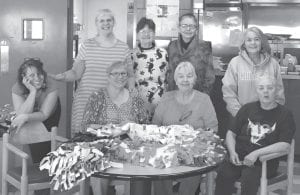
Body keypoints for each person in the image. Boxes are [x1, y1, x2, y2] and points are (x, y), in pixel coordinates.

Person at [50, 9, 132, 134]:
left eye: (109, 20)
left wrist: (131, 99)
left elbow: (130, 76)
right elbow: (76, 73)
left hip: (112, 103)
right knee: (83, 141)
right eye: (101, 20)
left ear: (114, 22)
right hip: (85, 101)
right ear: (97, 24)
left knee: (109, 140)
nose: (105, 23)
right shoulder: (87, 46)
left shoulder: (123, 48)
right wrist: (64, 76)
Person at [215, 74, 295, 195]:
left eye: (270, 88)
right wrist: (232, 152)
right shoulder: (247, 109)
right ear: (257, 90)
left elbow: (285, 145)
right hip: (239, 157)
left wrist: (256, 154)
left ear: (276, 89)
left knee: (249, 177)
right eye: (261, 88)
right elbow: (231, 133)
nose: (265, 92)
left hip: (264, 162)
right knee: (223, 173)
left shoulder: (285, 114)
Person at [81, 61, 148, 195]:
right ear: (108, 76)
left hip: (131, 148)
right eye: (115, 74)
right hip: (103, 147)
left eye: (123, 73)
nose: (120, 77)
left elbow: (145, 126)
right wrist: (111, 128)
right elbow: (85, 126)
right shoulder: (97, 96)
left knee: (145, 167)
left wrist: (131, 126)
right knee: (97, 170)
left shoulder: (135, 97)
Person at [152, 61, 218, 195]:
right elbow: (155, 127)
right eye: (181, 76)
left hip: (194, 149)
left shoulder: (204, 99)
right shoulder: (166, 98)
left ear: (194, 79)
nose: (185, 80)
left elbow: (213, 129)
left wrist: (200, 136)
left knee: (195, 162)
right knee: (158, 163)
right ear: (176, 80)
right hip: (167, 148)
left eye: (189, 76)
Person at [11, 58, 61, 195]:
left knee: (43, 150)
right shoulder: (17, 88)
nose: (38, 78)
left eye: (39, 73)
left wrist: (26, 117)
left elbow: (44, 114)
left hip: (49, 113)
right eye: (32, 75)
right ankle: (35, 186)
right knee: (31, 143)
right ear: (24, 78)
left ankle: (43, 189)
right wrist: (32, 92)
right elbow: (21, 114)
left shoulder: (51, 85)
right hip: (30, 111)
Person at [222, 26, 285, 118]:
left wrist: (272, 115)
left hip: (268, 118)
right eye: (249, 40)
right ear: (244, 43)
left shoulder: (273, 64)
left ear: (262, 42)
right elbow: (229, 92)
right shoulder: (235, 63)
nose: (253, 43)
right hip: (242, 117)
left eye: (256, 39)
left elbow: (279, 93)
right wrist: (240, 115)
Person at [167, 13, 215, 95]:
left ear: (196, 29)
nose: (188, 29)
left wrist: (203, 95)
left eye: (192, 26)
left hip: (197, 95)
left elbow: (209, 76)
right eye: (184, 26)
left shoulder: (205, 47)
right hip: (175, 94)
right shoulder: (172, 46)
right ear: (179, 28)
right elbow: (169, 73)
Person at [131, 17, 169, 119]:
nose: (146, 34)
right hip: (138, 104)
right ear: (137, 34)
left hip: (160, 105)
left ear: (154, 33)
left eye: (150, 31)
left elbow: (168, 79)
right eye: (142, 31)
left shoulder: (163, 53)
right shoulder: (131, 55)